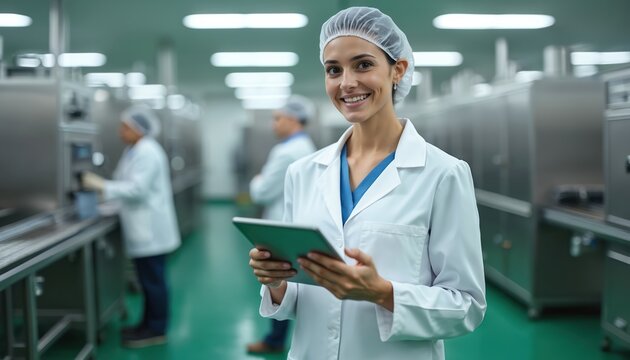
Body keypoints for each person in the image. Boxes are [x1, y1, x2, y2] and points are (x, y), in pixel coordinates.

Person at [248, 7, 486, 360]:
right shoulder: (303, 172)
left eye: (362, 64)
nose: (346, 82)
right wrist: (278, 283)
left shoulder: (443, 173)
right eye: (334, 69)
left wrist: (383, 292)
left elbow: (466, 306)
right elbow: (306, 297)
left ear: (398, 70)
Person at [82, 105, 180, 348]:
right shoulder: (133, 150)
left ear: (139, 129)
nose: (120, 132)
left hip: (151, 231)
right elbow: (125, 185)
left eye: (125, 127)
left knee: (153, 282)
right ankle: (146, 325)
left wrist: (101, 186)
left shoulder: (147, 152)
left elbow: (137, 189)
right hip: (143, 228)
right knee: (149, 282)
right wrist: (108, 199)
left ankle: (156, 329)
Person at [246, 96, 317, 354]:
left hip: (280, 225)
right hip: (299, 223)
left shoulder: (286, 151)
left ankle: (274, 341)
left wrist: (257, 180)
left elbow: (261, 192)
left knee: (277, 282)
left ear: (293, 119)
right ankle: (277, 338)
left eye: (277, 118)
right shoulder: (306, 146)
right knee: (292, 283)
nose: (274, 124)